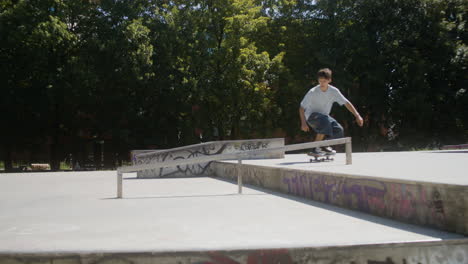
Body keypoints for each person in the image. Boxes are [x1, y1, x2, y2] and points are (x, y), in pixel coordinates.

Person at [299, 68, 363, 155]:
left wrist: (357, 115)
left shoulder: (334, 91)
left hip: (324, 116)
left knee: (339, 130)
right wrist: (303, 123)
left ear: (329, 80)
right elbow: (302, 107)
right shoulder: (313, 92)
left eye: (324, 81)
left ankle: (325, 145)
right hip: (311, 116)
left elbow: (346, 103)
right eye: (320, 81)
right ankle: (315, 148)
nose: (321, 84)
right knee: (325, 121)